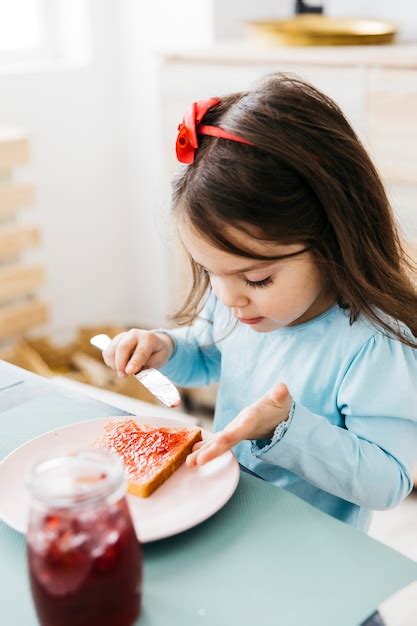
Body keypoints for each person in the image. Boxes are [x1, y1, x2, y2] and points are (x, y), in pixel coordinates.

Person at [103, 73, 417, 532]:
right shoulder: (239, 301)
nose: (228, 296)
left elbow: (388, 481)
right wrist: (165, 349)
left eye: (257, 277)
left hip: (311, 552)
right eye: (211, 272)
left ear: (333, 239)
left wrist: (286, 429)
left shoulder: (375, 346)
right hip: (234, 517)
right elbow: (209, 355)